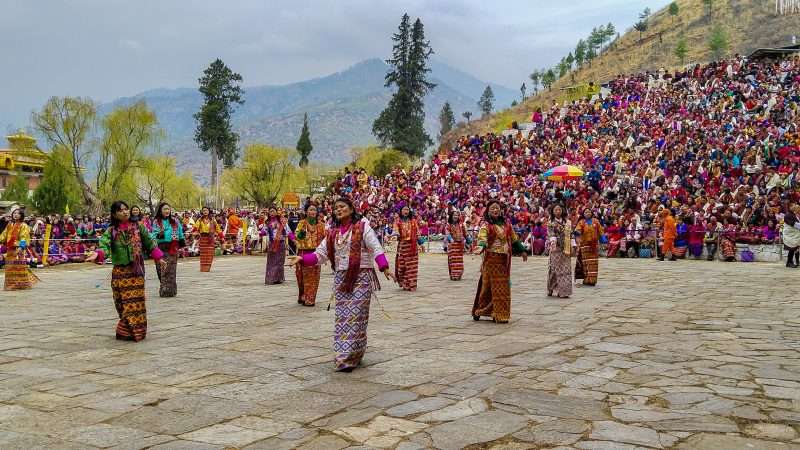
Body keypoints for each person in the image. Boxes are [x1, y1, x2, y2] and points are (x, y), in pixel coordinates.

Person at [289, 197, 395, 372]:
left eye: (342, 206)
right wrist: (302, 258)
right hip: (341, 279)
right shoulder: (332, 232)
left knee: (357, 317)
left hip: (361, 277)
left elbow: (376, 248)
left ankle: (351, 355)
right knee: (343, 319)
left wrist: (384, 267)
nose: (339, 210)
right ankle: (346, 356)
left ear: (351, 208)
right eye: (336, 207)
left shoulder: (363, 227)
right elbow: (320, 254)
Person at [87, 201, 165, 341]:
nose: (125, 212)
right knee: (121, 303)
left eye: (126, 209)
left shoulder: (138, 226)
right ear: (114, 214)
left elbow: (149, 242)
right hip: (120, 273)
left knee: (134, 303)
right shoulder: (111, 231)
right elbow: (104, 245)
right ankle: (127, 330)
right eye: (121, 210)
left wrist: (159, 258)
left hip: (136, 271)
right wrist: (97, 254)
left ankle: (132, 331)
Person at [472, 200, 527, 324]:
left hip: (503, 262)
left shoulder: (507, 224)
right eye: (492, 209)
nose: (495, 210)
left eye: (497, 208)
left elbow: (514, 239)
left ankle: (500, 313)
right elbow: (482, 238)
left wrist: (522, 250)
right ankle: (483, 310)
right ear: (488, 212)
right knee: (488, 287)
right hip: (491, 261)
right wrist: (481, 246)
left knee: (502, 288)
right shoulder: (486, 225)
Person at [151, 202, 185, 297]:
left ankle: (169, 291)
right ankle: (165, 287)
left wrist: (182, 242)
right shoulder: (156, 221)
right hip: (160, 247)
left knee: (170, 269)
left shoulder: (175, 221)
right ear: (160, 211)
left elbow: (180, 231)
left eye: (168, 209)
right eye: (165, 209)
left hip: (172, 247)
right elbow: (153, 234)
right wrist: (159, 234)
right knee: (160, 268)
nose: (167, 211)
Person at [295, 204, 325, 306]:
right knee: (301, 278)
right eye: (310, 210)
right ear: (306, 212)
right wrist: (302, 233)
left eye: (314, 210)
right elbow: (297, 238)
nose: (312, 212)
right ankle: (302, 295)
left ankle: (310, 299)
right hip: (302, 253)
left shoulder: (321, 225)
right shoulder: (301, 223)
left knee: (313, 278)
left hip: (316, 253)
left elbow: (325, 239)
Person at [0, 207, 37, 291]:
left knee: (19, 267)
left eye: (17, 213)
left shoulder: (24, 225)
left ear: (21, 215)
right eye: (14, 213)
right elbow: (3, 236)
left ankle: (21, 285)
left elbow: (24, 237)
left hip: (18, 249)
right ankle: (10, 285)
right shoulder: (9, 225)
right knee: (10, 268)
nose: (15, 215)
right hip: (10, 250)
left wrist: (21, 247)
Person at [547, 204, 572, 298]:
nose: (558, 211)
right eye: (556, 210)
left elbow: (571, 234)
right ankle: (551, 287)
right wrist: (554, 242)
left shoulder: (568, 222)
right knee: (554, 269)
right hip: (556, 248)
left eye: (559, 209)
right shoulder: (550, 222)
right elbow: (551, 234)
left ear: (562, 211)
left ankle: (563, 291)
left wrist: (573, 245)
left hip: (566, 248)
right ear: (553, 212)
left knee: (565, 270)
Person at [574, 208, 604, 286]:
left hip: (594, 246)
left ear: (591, 213)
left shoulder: (596, 221)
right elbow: (578, 230)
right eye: (586, 212)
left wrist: (603, 238)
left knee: (594, 263)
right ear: (583, 214)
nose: (587, 213)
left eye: (589, 212)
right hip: (585, 245)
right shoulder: (581, 222)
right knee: (586, 263)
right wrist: (577, 232)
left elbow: (600, 230)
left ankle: (593, 280)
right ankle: (587, 279)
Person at [393, 206, 419, 291]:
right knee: (402, 266)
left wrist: (419, 239)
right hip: (403, 246)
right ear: (401, 211)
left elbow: (417, 232)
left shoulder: (413, 221)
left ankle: (411, 285)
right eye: (404, 209)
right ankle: (404, 282)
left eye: (407, 209)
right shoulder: (398, 221)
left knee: (412, 267)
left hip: (412, 247)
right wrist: (396, 234)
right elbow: (395, 230)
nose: (406, 211)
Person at [265, 207, 293, 285]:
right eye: (270, 211)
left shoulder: (282, 221)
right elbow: (264, 231)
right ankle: (271, 278)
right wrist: (261, 232)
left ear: (277, 212)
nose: (272, 213)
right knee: (272, 262)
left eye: (273, 211)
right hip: (272, 244)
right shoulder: (267, 222)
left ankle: (279, 278)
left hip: (281, 243)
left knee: (280, 261)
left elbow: (288, 231)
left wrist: (294, 239)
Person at [445, 209, 468, 281]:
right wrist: (451, 239)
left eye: (457, 215)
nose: (456, 216)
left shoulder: (461, 225)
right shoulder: (448, 225)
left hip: (459, 245)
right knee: (453, 260)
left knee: (459, 261)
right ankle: (453, 275)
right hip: (452, 245)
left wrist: (469, 240)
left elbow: (465, 233)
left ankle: (459, 275)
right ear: (451, 216)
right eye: (454, 215)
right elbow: (447, 233)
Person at [195, 207, 218, 272]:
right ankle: (203, 268)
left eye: (206, 210)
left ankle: (207, 268)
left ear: (209, 211)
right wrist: (193, 231)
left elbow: (218, 228)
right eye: (203, 210)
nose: (205, 212)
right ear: (202, 212)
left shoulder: (213, 220)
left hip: (210, 239)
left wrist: (221, 237)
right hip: (203, 239)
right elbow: (196, 227)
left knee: (210, 254)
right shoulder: (200, 220)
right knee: (203, 254)